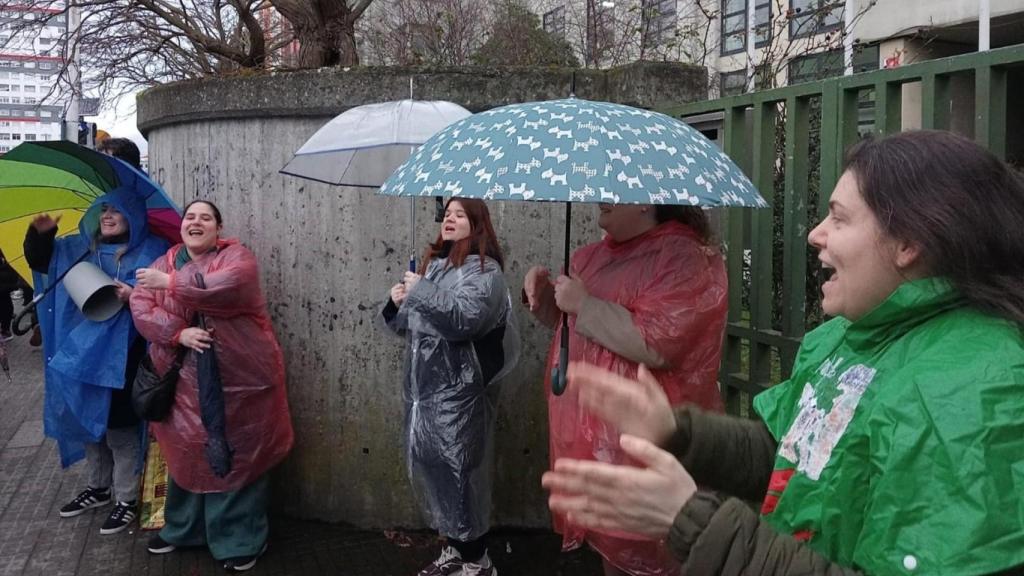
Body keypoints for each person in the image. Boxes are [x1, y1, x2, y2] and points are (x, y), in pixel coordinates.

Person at [541, 130, 1024, 575]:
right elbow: (794, 454)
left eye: (838, 217)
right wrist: (680, 433)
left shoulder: (972, 394)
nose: (816, 234)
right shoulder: (855, 334)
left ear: (910, 243)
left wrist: (696, 522)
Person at [523, 203, 728, 576]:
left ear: (646, 199)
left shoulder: (682, 257)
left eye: (614, 190)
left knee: (655, 553)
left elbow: (659, 342)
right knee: (613, 550)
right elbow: (581, 331)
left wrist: (584, 304)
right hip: (597, 439)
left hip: (644, 439)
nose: (601, 196)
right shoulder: (593, 255)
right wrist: (546, 305)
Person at [130, 200, 293, 572]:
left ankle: (240, 537)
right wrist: (178, 332)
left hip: (241, 380)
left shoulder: (238, 258)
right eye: (190, 217)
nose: (196, 222)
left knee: (239, 454)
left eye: (206, 217)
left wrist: (170, 284)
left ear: (219, 227)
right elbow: (141, 306)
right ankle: (183, 528)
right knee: (185, 452)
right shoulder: (165, 261)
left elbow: (226, 288)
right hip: (181, 383)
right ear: (181, 225)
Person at [380, 198, 519, 576]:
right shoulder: (436, 269)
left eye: (460, 214)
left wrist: (422, 290)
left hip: (461, 394)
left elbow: (464, 320)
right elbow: (409, 327)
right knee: (436, 470)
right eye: (447, 213)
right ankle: (456, 551)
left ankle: (478, 560)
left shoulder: (486, 274)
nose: (450, 219)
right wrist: (395, 305)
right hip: (426, 392)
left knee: (461, 474)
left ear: (478, 225)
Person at [24, 189, 169, 535]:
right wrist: (40, 233)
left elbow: (169, 299)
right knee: (90, 426)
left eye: (116, 210)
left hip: (124, 359)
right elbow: (40, 261)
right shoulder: (77, 249)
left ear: (132, 216)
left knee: (120, 431)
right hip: (81, 358)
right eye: (103, 209)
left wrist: (135, 296)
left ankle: (125, 499)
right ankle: (98, 488)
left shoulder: (154, 252)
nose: (107, 215)